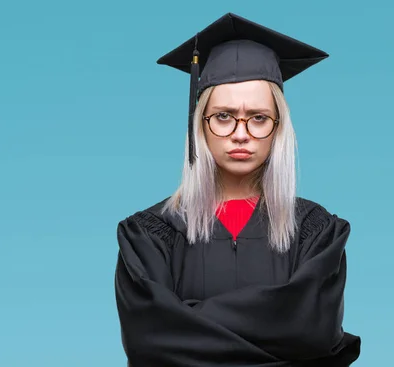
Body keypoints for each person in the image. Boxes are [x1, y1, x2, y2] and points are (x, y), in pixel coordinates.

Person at [113, 12, 361, 367]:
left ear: (279, 128)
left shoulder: (314, 231)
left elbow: (312, 330)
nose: (241, 133)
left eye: (259, 117)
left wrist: (186, 317)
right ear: (200, 123)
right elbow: (147, 341)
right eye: (224, 116)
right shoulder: (150, 235)